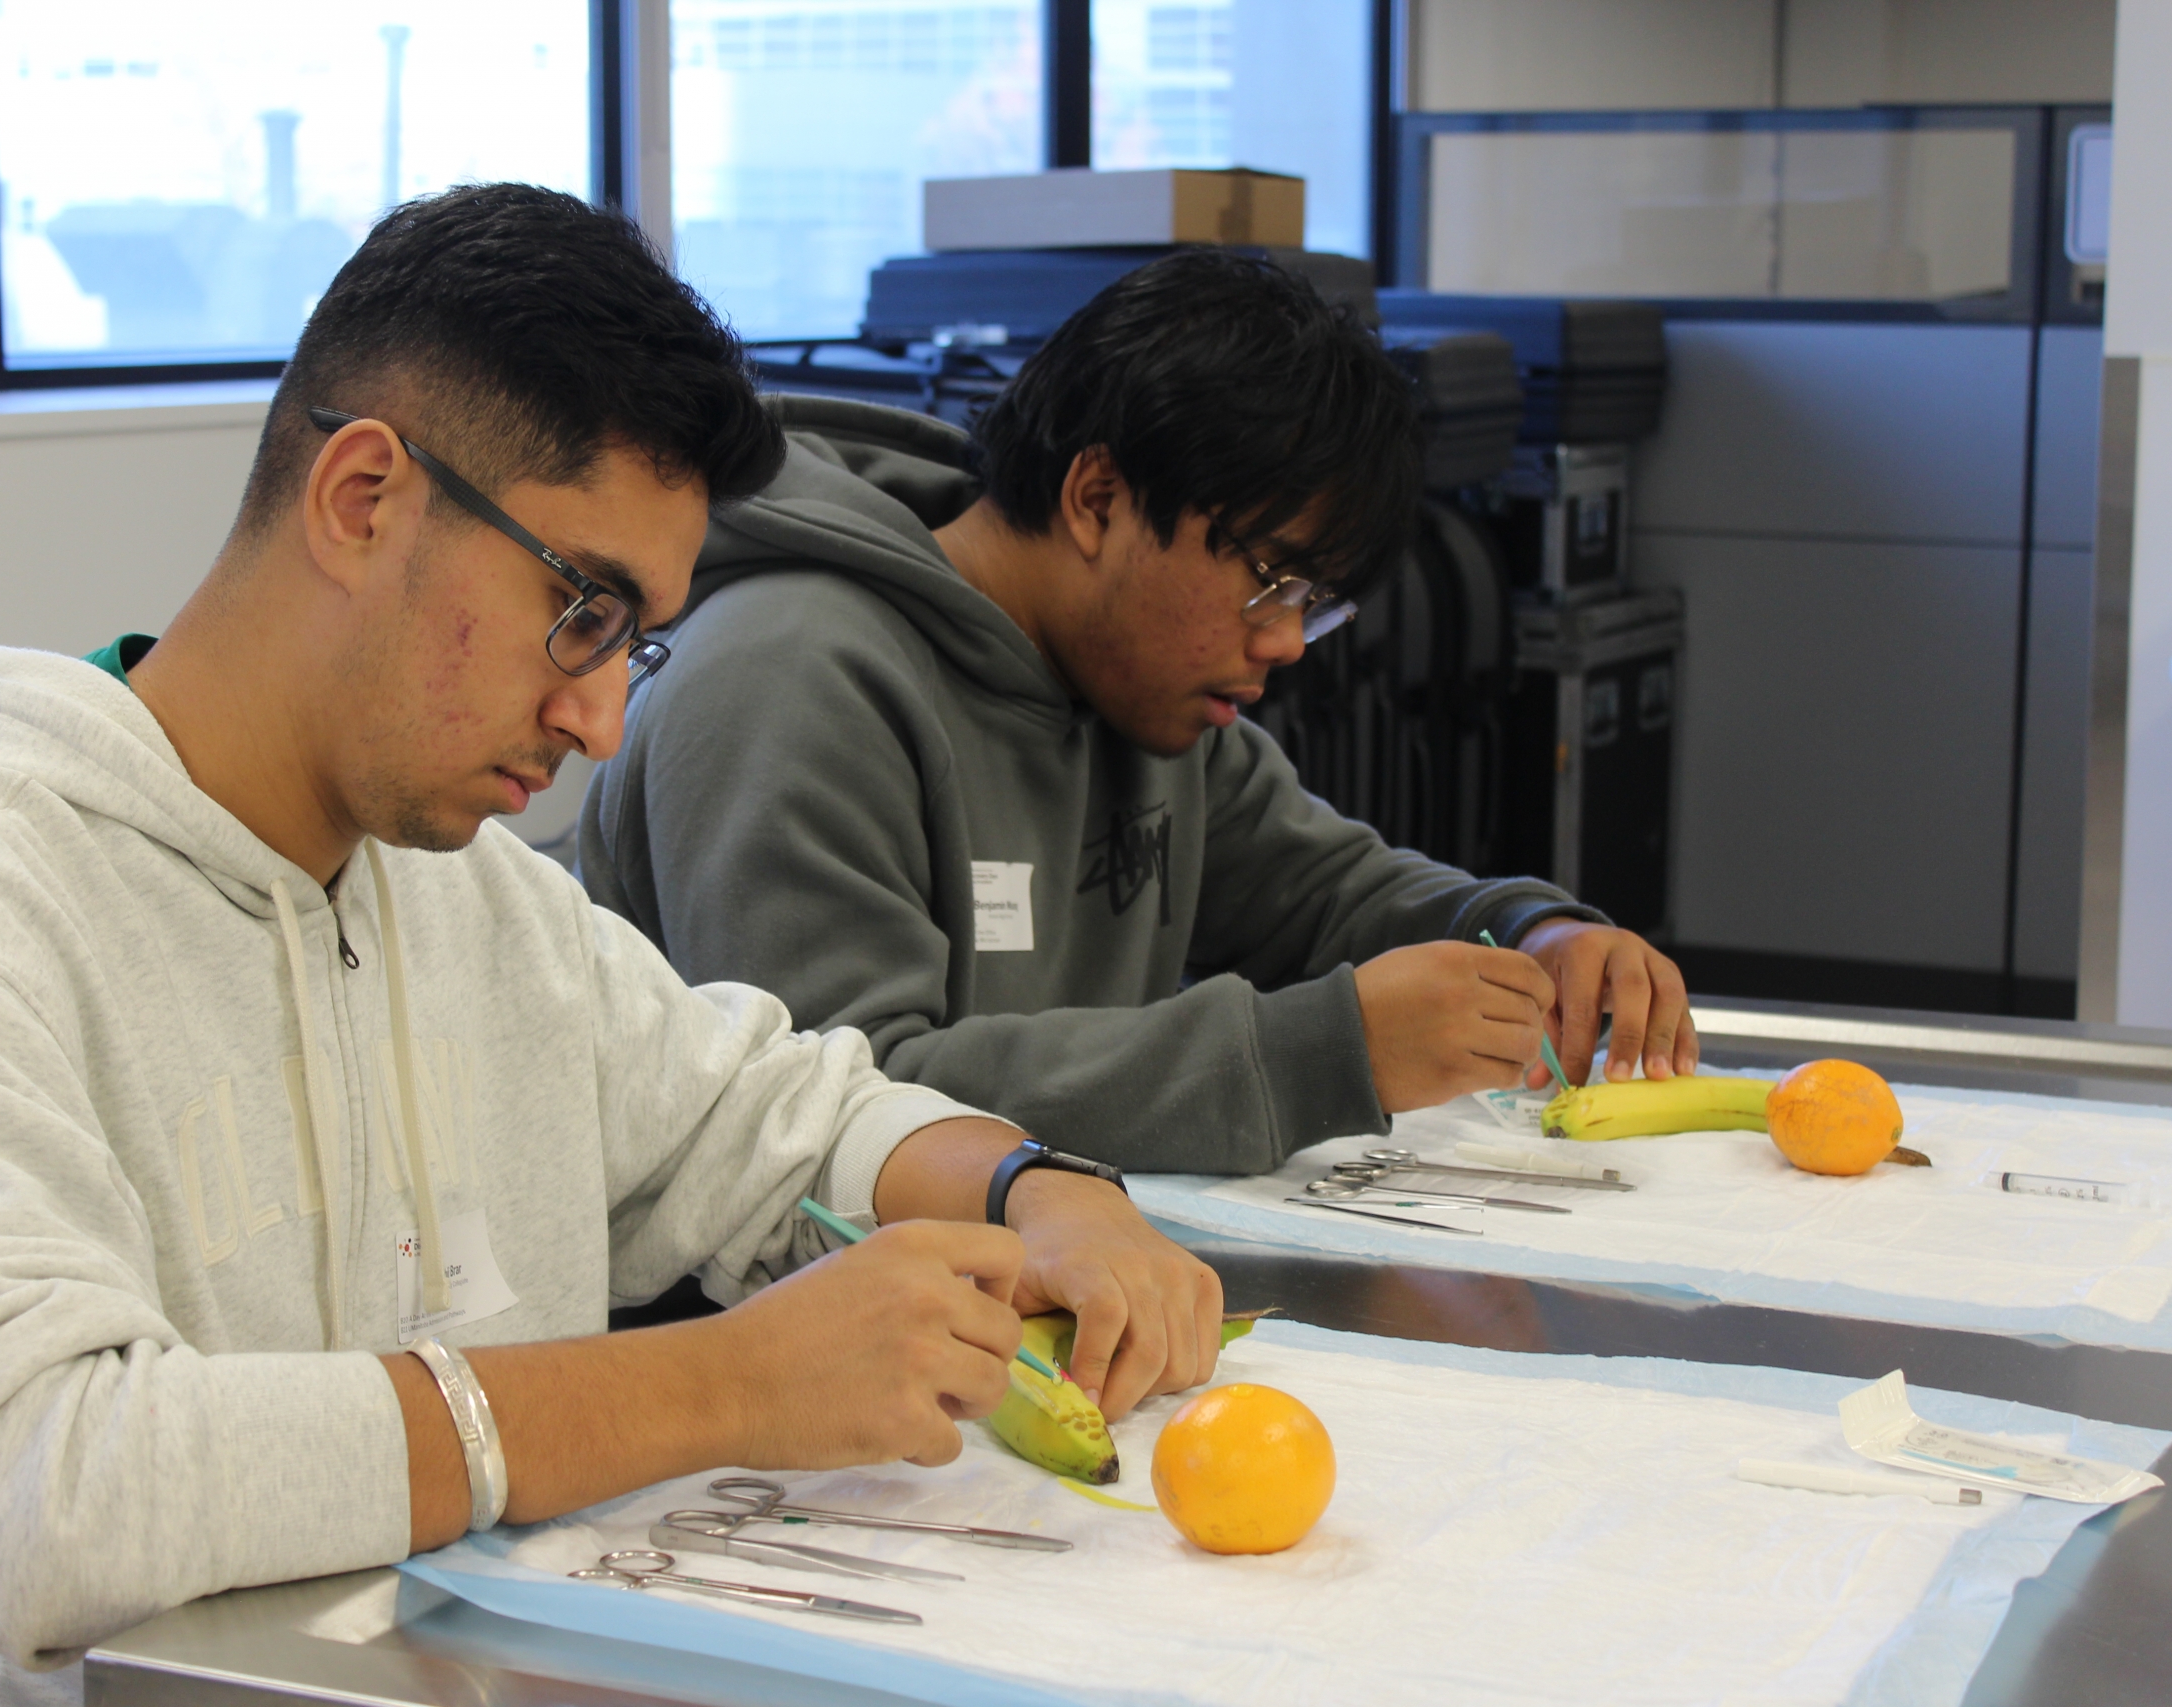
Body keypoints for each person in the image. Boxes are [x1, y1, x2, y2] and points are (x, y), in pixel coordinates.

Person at [0, 184, 1218, 1707]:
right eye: (581, 608)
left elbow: (772, 1113)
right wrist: (724, 1382)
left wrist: (1036, 1190)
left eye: (636, 639)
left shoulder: (468, 896)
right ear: (364, 497)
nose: (601, 718)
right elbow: (25, 1492)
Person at [578, 249, 1697, 1176]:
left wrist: (1528, 933)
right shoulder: (790, 678)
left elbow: (1325, 892)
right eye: (1271, 582)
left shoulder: (1138, 689)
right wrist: (1316, 1053)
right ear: (1098, 498)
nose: (1283, 643)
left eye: (1316, 607)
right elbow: (842, 1116)